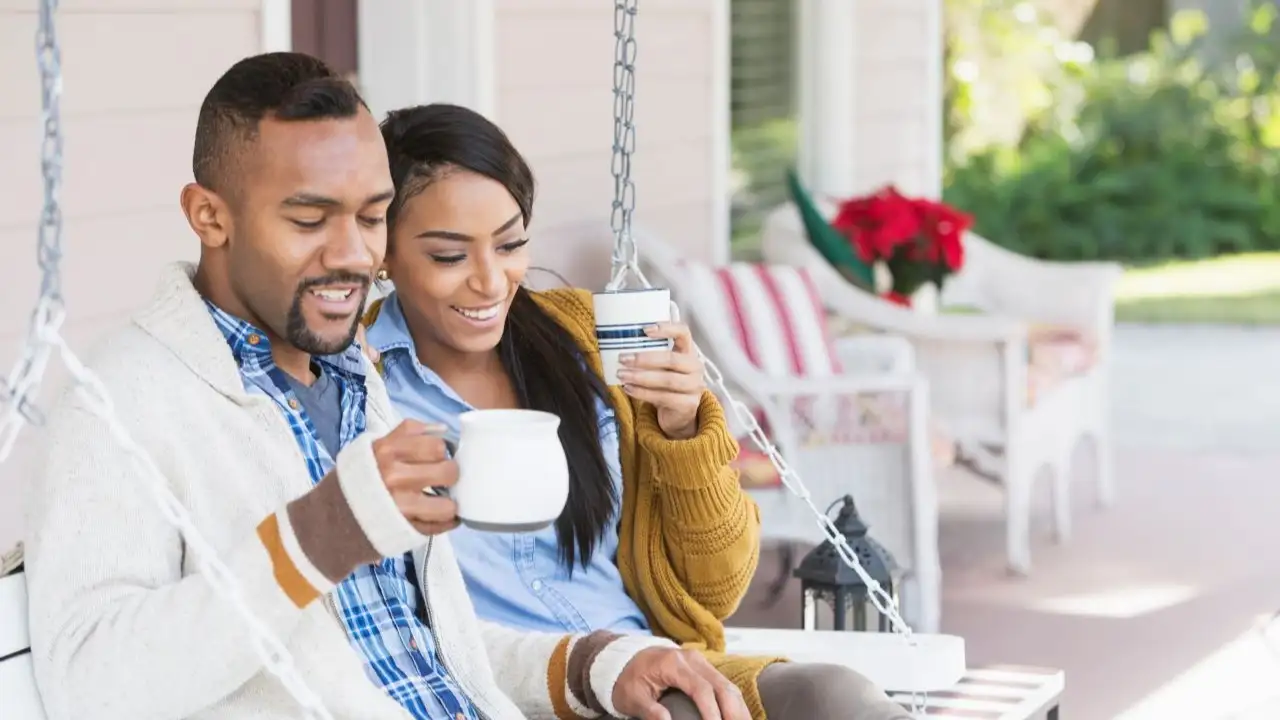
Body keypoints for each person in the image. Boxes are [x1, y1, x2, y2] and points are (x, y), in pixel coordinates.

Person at [24, 52, 755, 720]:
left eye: (372, 218)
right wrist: (319, 533)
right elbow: (91, 686)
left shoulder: (346, 377)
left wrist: (596, 664)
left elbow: (426, 647)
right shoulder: (124, 399)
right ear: (209, 216)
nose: (352, 255)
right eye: (309, 219)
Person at [363, 102, 915, 720]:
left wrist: (684, 432)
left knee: (834, 696)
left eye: (511, 243)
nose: (491, 282)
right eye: (449, 256)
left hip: (656, 671)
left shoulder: (587, 344)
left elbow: (717, 589)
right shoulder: (359, 386)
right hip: (504, 692)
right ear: (380, 249)